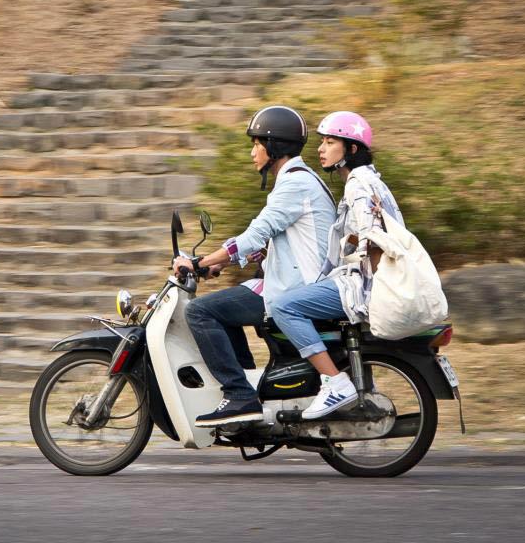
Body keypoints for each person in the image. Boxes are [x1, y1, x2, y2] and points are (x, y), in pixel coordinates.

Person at [172, 106, 336, 427]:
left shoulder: (293, 184)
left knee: (200, 312)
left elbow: (254, 235)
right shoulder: (298, 180)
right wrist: (220, 265)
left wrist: (199, 262)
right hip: (295, 279)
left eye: (257, 144)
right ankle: (247, 385)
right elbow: (274, 243)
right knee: (223, 308)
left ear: (274, 146)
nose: (252, 152)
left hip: (296, 289)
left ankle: (238, 394)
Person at [272, 111, 404, 420]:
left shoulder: (358, 185)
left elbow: (373, 239)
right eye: (321, 142)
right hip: (366, 280)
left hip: (366, 284)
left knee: (283, 306)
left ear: (352, 149)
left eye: (331, 142)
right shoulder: (368, 180)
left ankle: (334, 382)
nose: (321, 149)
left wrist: (370, 288)